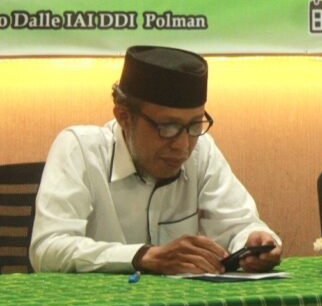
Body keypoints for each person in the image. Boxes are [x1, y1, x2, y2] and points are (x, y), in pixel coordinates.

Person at [30, 45, 282, 273]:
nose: (183, 146)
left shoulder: (201, 150)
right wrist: (143, 256)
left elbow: (240, 224)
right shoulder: (80, 149)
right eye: (167, 127)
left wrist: (254, 242)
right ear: (124, 117)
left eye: (195, 125)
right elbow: (47, 249)